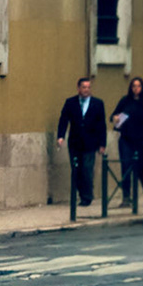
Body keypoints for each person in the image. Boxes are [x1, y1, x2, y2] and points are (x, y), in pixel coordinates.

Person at [56, 76, 108, 206]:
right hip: (75, 142)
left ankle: (87, 196)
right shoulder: (70, 103)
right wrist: (60, 136)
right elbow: (63, 120)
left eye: (88, 87)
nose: (86, 90)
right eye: (84, 87)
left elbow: (102, 124)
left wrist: (102, 143)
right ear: (78, 88)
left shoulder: (98, 103)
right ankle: (80, 193)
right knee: (76, 170)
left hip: (91, 143)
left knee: (87, 169)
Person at [113, 77, 143, 205]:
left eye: (138, 86)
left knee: (140, 169)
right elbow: (114, 115)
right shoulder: (125, 101)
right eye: (133, 86)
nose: (135, 89)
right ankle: (126, 198)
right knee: (125, 167)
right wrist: (115, 118)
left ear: (142, 88)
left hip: (141, 140)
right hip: (126, 139)